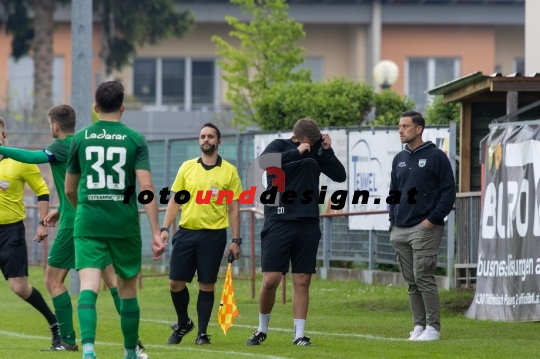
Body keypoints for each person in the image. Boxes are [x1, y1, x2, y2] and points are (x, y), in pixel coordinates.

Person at [0, 104, 142, 352]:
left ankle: (66, 340)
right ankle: (134, 339)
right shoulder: (82, 142)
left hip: (74, 224)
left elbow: (32, 157)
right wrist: (60, 208)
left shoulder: (59, 146)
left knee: (53, 279)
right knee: (111, 280)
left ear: (54, 125)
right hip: (94, 217)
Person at [65, 81, 164, 359]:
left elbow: (70, 189)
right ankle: (130, 352)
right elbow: (147, 190)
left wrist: (83, 209)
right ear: (123, 107)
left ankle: (88, 350)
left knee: (88, 286)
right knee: (128, 289)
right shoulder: (135, 139)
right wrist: (156, 232)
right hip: (125, 224)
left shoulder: (80, 137)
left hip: (88, 222)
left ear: (96, 108)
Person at [245, 118, 346, 346]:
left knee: (302, 281)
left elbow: (340, 176)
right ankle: (261, 329)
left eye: (314, 144)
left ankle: (299, 335)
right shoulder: (278, 147)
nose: (311, 147)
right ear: (296, 138)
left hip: (308, 222)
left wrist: (327, 152)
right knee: (271, 280)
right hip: (279, 221)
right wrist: (298, 152)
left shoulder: (318, 151)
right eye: (308, 144)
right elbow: (260, 167)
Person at [161, 122, 242, 346]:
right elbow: (175, 200)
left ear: (218, 141)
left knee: (207, 284)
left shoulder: (229, 171)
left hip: (213, 236)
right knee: (175, 282)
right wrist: (165, 228)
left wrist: (236, 240)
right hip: (186, 233)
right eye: (202, 136)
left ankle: (202, 333)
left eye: (210, 136)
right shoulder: (187, 167)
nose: (206, 139)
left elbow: (234, 207)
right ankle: (184, 322)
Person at [388, 111, 456, 341]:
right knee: (411, 281)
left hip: (425, 227)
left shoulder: (437, 156)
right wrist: (392, 223)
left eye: (405, 126)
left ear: (419, 129)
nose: (400, 130)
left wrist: (431, 221)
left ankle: (433, 328)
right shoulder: (399, 158)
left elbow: (448, 193)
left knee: (424, 276)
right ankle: (419, 326)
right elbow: (394, 194)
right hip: (400, 229)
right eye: (399, 126)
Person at [0, 116, 61, 347]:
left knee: (19, 288)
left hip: (10, 233)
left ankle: (55, 324)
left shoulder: (20, 161)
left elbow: (42, 190)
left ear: (4, 136)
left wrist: (43, 223)